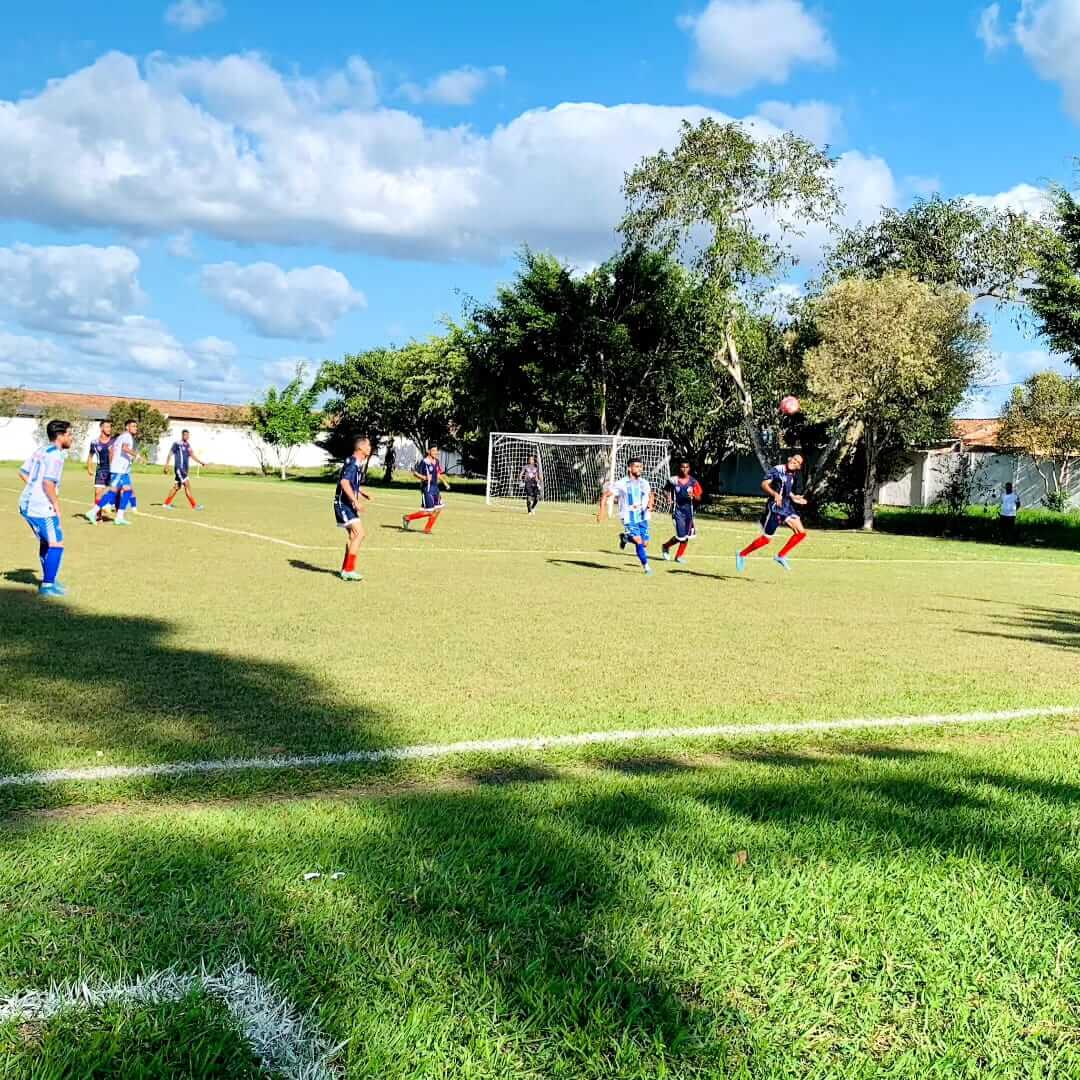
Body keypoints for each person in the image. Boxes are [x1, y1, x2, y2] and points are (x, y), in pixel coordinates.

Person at [19, 419, 74, 596]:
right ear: (60, 436)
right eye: (69, 434)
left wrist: (33, 489)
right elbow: (48, 483)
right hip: (41, 507)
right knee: (57, 542)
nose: (71, 438)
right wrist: (56, 504)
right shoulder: (56, 455)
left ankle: (49, 580)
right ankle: (48, 585)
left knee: (46, 541)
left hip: (28, 503)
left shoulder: (41, 450)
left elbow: (23, 472)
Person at [736, 453, 809, 572]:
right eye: (794, 459)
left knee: (801, 533)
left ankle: (781, 556)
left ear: (799, 466)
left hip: (787, 507)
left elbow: (786, 490)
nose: (794, 461)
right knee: (766, 539)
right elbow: (764, 484)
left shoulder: (792, 474)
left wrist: (794, 497)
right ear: (790, 458)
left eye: (797, 462)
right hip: (776, 508)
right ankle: (742, 554)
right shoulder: (778, 470)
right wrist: (775, 494)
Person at [596, 457, 655, 575]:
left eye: (641, 467)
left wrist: (650, 504)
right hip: (628, 516)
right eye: (637, 466)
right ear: (629, 468)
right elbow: (605, 495)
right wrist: (602, 511)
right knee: (638, 541)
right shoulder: (621, 483)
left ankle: (626, 538)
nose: (640, 469)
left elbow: (651, 494)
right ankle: (647, 567)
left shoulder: (644, 482)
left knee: (645, 543)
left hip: (643, 516)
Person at [335, 437, 373, 581]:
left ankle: (345, 569)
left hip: (346, 503)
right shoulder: (353, 463)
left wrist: (362, 492)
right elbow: (344, 483)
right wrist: (355, 501)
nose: (370, 448)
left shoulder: (354, 463)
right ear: (360, 448)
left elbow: (351, 483)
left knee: (353, 536)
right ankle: (349, 570)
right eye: (368, 445)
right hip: (344, 504)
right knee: (359, 534)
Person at [402, 446, 451, 534]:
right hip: (427, 489)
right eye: (433, 450)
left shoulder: (436, 461)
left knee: (438, 509)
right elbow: (415, 473)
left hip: (435, 488)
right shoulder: (424, 462)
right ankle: (407, 518)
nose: (436, 452)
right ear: (428, 451)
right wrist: (424, 477)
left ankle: (427, 529)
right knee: (429, 511)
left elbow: (438, 473)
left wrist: (445, 482)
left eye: (436, 450)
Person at [661, 461, 702, 564]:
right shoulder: (673, 480)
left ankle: (678, 556)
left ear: (689, 469)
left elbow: (699, 497)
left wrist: (694, 496)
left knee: (686, 536)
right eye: (682, 467)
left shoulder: (693, 482)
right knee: (681, 536)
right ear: (679, 468)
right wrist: (667, 497)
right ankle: (666, 546)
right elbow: (665, 489)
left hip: (689, 513)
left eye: (686, 467)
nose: (684, 469)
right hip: (677, 511)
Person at [107, 418, 140, 526]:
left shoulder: (122, 436)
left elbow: (112, 450)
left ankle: (119, 516)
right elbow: (124, 448)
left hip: (121, 469)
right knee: (115, 490)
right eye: (133, 426)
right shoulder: (127, 436)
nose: (135, 428)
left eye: (136, 426)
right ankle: (102, 507)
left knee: (127, 490)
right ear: (127, 427)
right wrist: (137, 455)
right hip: (119, 469)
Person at [162, 430, 206, 511]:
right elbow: (170, 453)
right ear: (182, 435)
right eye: (185, 435)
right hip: (179, 468)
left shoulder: (188, 445)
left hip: (184, 469)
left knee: (177, 487)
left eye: (188, 435)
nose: (186, 436)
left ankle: (166, 504)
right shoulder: (177, 444)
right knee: (187, 485)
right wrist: (166, 465)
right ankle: (194, 505)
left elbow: (192, 455)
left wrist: (201, 462)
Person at [83, 420, 115, 524]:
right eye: (107, 427)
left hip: (113, 470)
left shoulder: (114, 441)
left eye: (110, 427)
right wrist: (89, 467)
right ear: (101, 428)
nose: (109, 429)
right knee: (97, 493)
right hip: (101, 470)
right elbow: (90, 456)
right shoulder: (95, 442)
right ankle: (98, 515)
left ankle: (111, 508)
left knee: (112, 491)